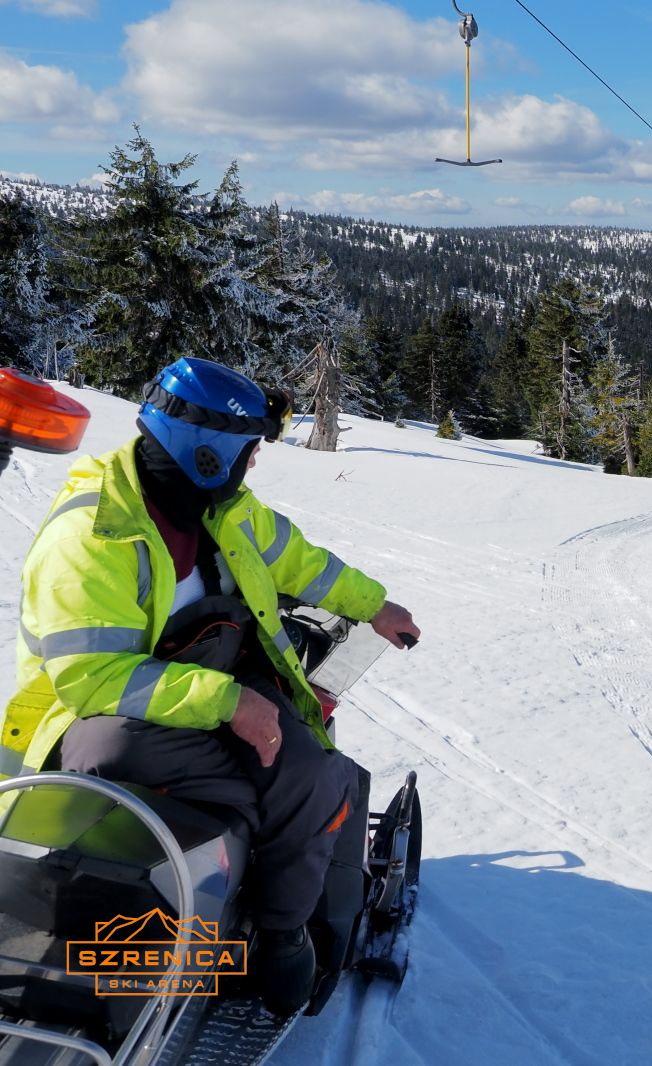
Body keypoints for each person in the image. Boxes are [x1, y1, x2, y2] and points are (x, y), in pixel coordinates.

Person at [3, 357, 421, 1016]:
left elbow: (293, 556)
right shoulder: (92, 532)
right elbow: (88, 678)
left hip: (200, 680)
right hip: (97, 715)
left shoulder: (217, 507)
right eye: (248, 451)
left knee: (309, 772)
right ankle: (269, 914)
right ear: (209, 453)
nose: (252, 465)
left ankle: (280, 917)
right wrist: (229, 703)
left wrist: (373, 605)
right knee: (277, 791)